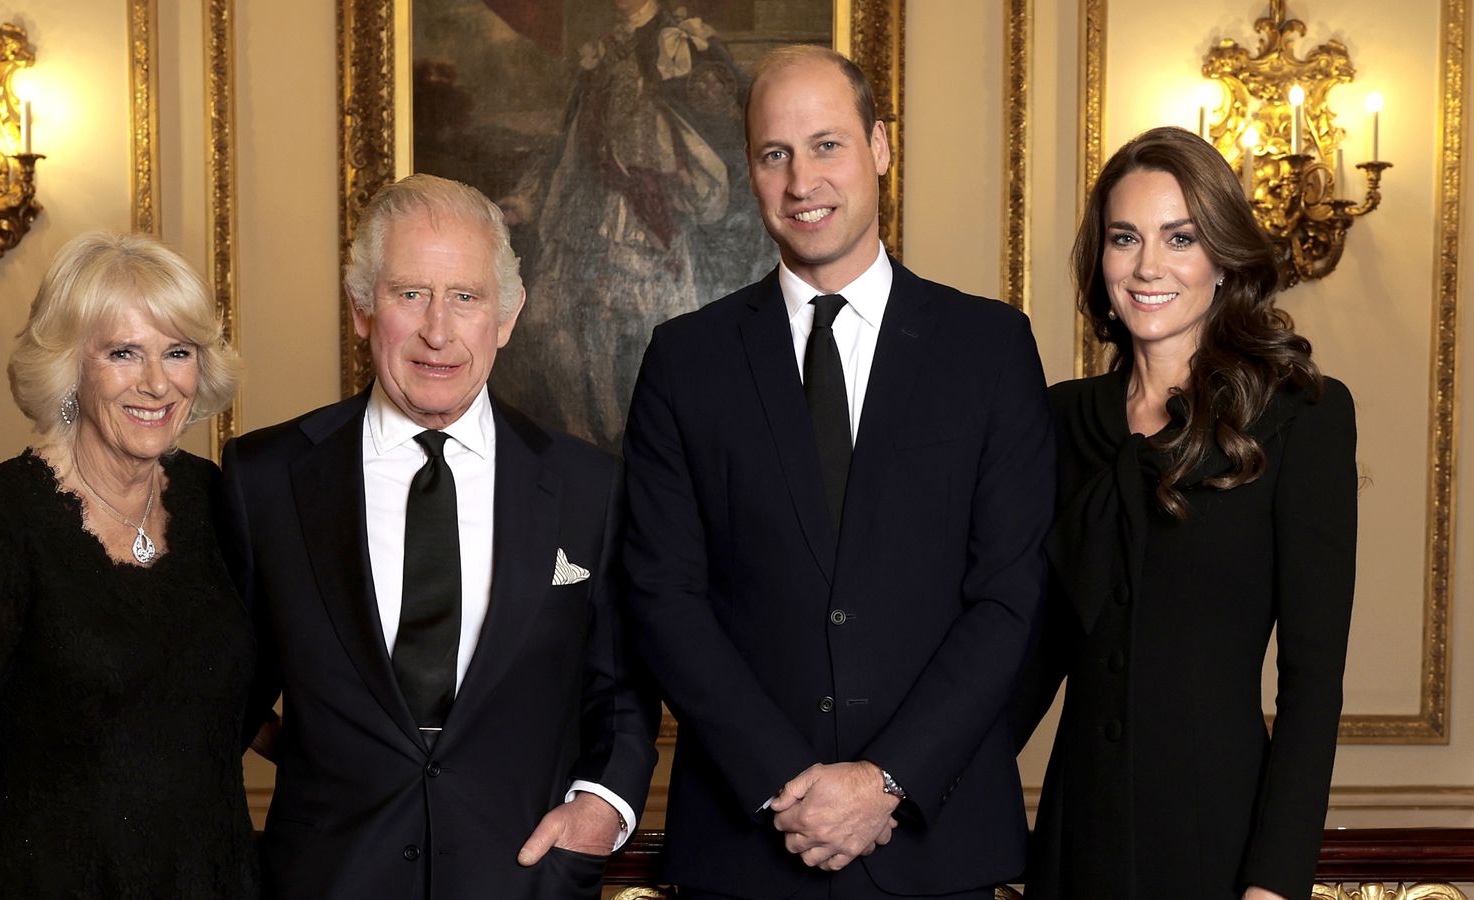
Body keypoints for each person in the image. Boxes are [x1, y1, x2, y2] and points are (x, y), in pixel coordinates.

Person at [621, 45, 1055, 899]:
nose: (800, 180)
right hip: (747, 850)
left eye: (827, 145)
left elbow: (1009, 598)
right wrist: (793, 787)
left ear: (880, 147)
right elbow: (663, 599)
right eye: (774, 154)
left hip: (938, 849)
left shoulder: (990, 350)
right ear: (750, 170)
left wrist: (885, 781)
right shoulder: (686, 361)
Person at [218, 173, 660, 899]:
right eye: (409, 294)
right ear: (362, 308)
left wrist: (599, 810)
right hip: (327, 877)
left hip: (523, 878)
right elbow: (216, 688)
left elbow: (621, 693)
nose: (438, 331)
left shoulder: (588, 487)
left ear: (507, 315)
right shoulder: (264, 478)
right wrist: (310, 752)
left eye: (465, 296)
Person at [1011, 125, 1357, 900]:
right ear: (1100, 261)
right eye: (1124, 238)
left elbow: (1313, 682)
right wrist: (906, 789)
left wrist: (1274, 884)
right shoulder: (1060, 420)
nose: (1147, 266)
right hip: (1075, 840)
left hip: (1219, 842)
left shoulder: (1304, 416)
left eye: (1180, 237)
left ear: (1223, 257)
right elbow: (1029, 652)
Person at [0, 232, 254, 899]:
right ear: (70, 367)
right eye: (124, 353)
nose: (157, 382)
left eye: (177, 352)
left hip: (213, 877)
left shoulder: (219, 502)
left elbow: (233, 685)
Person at [494, 0, 772, 446]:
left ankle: (644, 442)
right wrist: (527, 198)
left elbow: (729, 130)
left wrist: (683, 172)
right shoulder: (598, 54)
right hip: (584, 214)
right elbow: (567, 141)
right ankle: (585, 440)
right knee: (549, 319)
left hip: (652, 216)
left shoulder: (685, 42)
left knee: (653, 337)